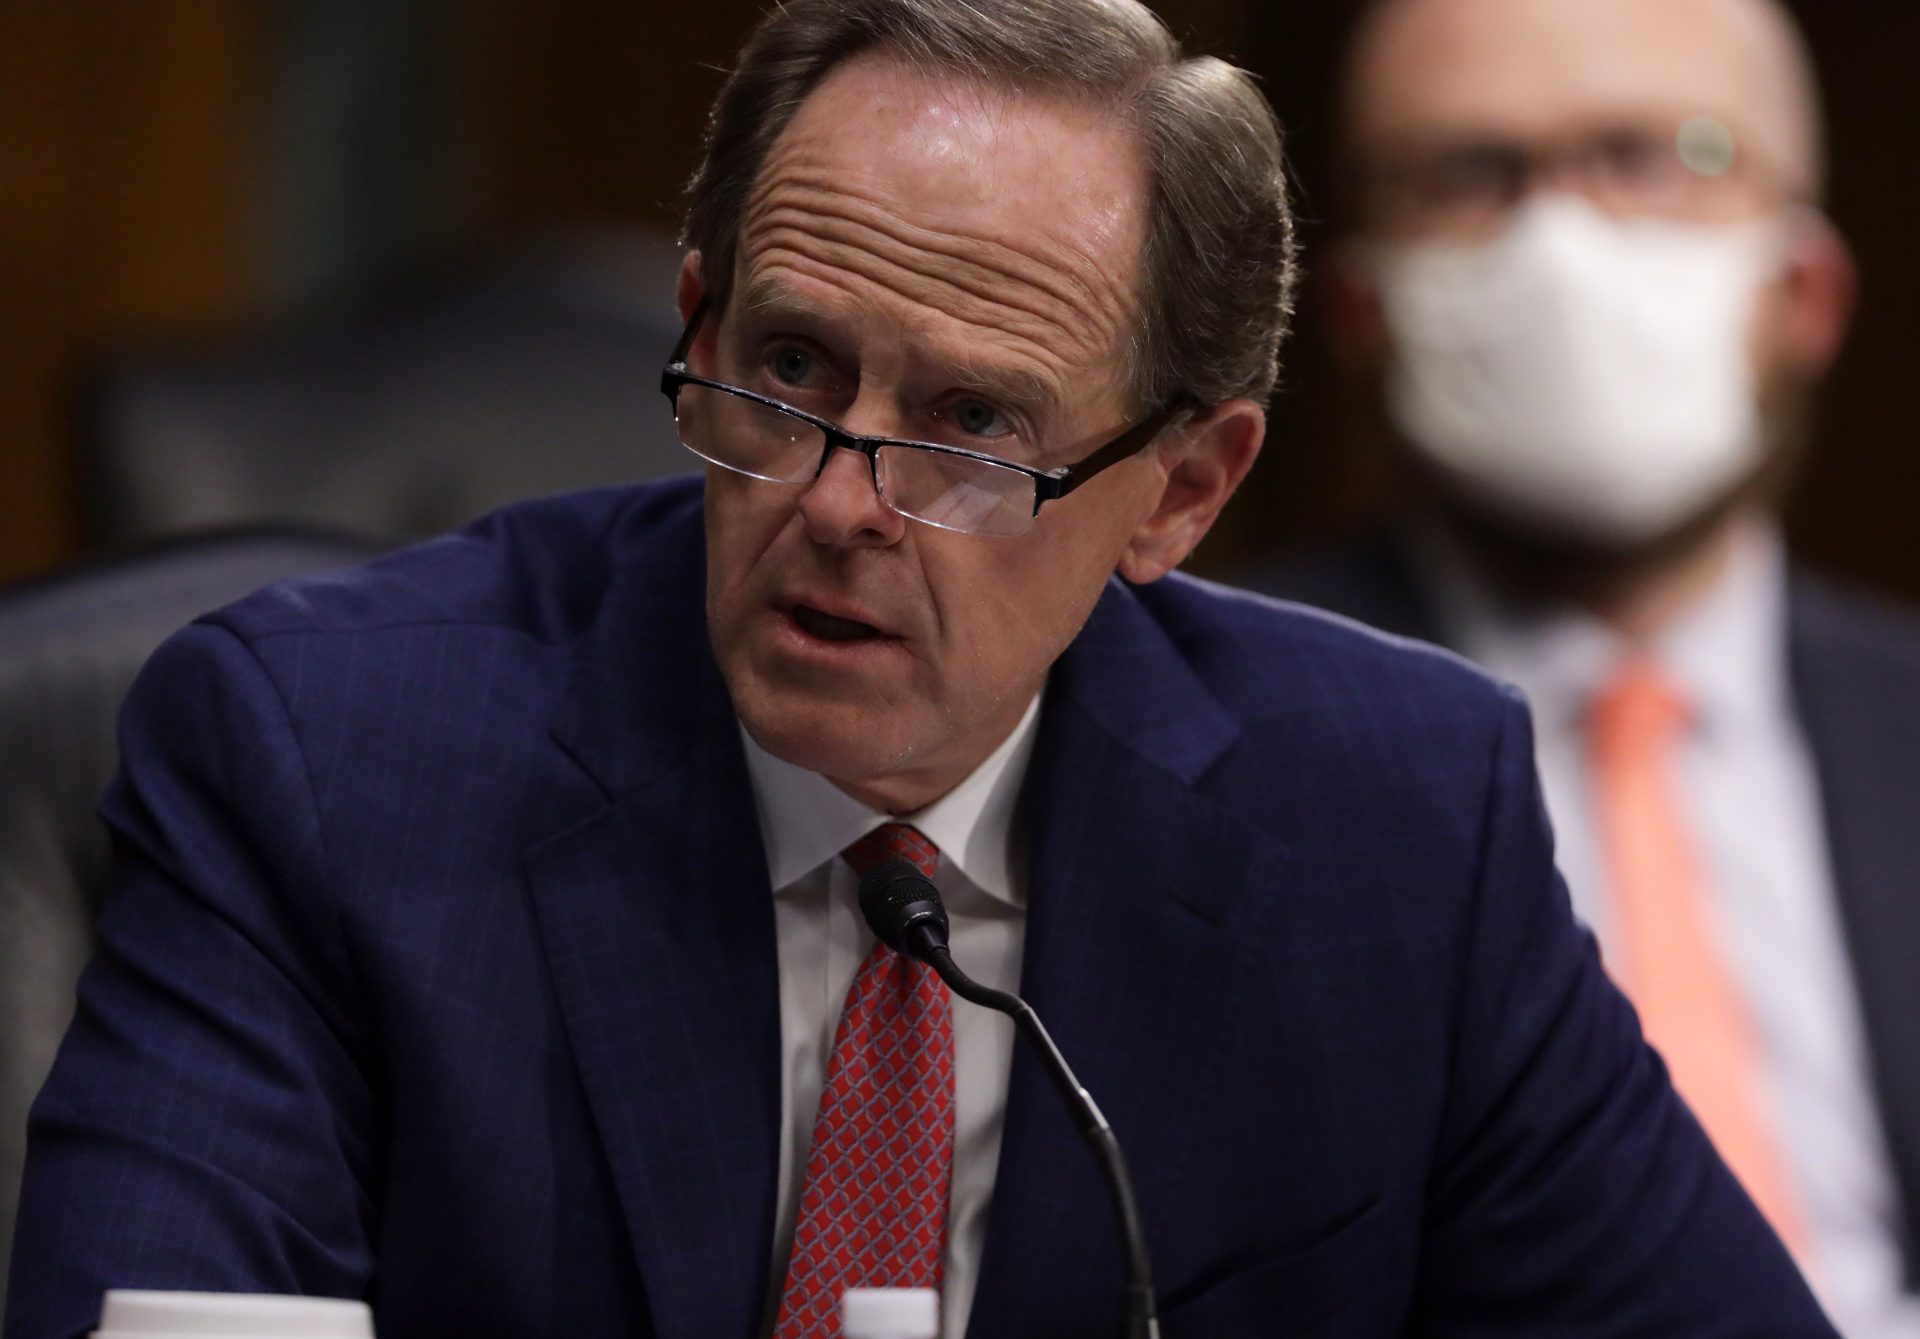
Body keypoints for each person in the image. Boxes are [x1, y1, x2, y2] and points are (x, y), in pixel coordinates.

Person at [6, 2, 1833, 1336]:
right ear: (698, 322)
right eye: (788, 370)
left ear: (1180, 493)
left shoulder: (1393, 823)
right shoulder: (324, 759)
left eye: (974, 425)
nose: (838, 503)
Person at [1240, 0, 1920, 1334]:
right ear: (1360, 310)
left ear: (1811, 294)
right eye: (1466, 175)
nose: (1560, 241)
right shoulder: (1198, 740)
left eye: (1652, 155)